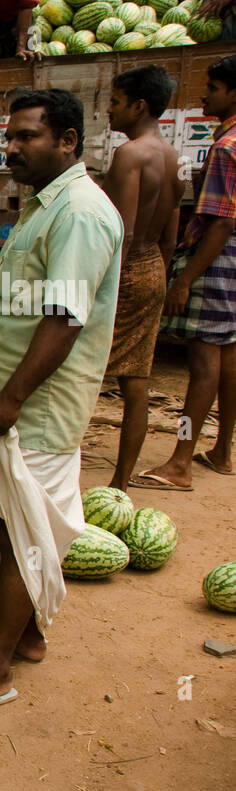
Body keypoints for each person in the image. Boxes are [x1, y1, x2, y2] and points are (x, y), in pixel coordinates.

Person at [0, 89, 123, 715]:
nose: (11, 147)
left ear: (68, 141)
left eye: (27, 137)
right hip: (6, 407)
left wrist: (11, 396)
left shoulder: (80, 214)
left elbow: (64, 319)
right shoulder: (45, 205)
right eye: (9, 136)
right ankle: (26, 634)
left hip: (34, 411)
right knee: (2, 519)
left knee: (20, 533)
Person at [132, 55, 236, 489]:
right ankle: (223, 451)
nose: (203, 94)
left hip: (217, 259)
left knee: (203, 360)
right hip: (233, 261)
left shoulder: (226, 148)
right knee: (228, 356)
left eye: (211, 88)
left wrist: (186, 277)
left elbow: (222, 222)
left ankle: (181, 460)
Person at [101, 66, 185, 492]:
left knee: (78, 367)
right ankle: (120, 481)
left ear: (139, 106)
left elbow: (123, 231)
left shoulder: (131, 155)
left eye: (115, 102)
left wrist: (102, 283)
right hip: (153, 266)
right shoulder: (173, 158)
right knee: (136, 381)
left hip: (126, 270)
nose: (109, 111)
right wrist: (162, 276)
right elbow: (170, 234)